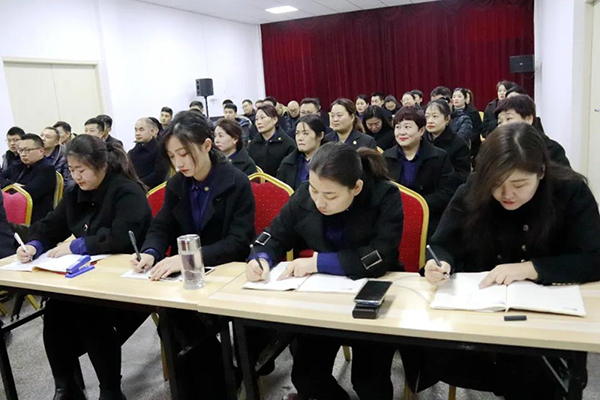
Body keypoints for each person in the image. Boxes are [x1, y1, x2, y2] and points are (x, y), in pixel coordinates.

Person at [417, 122, 600, 399]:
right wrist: (440, 262)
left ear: (541, 172)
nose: (506, 195)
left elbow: (594, 258)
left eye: (519, 184)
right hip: (480, 313)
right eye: (496, 184)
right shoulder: (474, 188)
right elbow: (442, 244)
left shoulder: (570, 191)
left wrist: (531, 268)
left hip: (543, 322)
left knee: (534, 377)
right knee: (435, 352)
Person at [246, 142, 403, 400]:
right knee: (306, 377)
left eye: (330, 196)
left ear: (356, 188)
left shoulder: (384, 195)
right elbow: (274, 235)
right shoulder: (305, 195)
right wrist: (261, 258)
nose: (319, 202)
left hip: (370, 298)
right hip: (323, 299)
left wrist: (317, 263)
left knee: (369, 382)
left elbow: (379, 257)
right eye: (314, 190)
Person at [130, 110, 255, 399]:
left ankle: (218, 385)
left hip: (225, 273)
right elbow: (162, 225)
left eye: (184, 154)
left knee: (180, 325)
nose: (179, 163)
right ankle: (216, 381)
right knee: (173, 323)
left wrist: (188, 258)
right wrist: (150, 252)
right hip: (188, 279)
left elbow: (238, 243)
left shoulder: (236, 182)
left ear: (207, 145)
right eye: (172, 156)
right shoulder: (177, 184)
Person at [17, 134, 152, 400]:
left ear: (101, 165)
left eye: (82, 170)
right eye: (72, 170)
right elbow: (52, 225)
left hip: (129, 279)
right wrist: (34, 245)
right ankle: (66, 387)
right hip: (88, 277)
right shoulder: (74, 193)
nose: (76, 176)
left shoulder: (126, 191)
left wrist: (76, 246)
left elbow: (121, 238)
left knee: (88, 311)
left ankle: (110, 390)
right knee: (55, 309)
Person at [384, 106, 457, 235]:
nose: (401, 132)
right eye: (398, 127)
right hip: (394, 221)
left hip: (429, 220)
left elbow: (447, 192)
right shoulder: (385, 157)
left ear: (421, 130)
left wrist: (416, 205)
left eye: (407, 127)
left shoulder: (439, 157)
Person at [495, 95, 571, 167]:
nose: (503, 125)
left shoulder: (551, 150)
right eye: (500, 122)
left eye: (509, 118)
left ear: (528, 119)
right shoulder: (497, 150)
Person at [0, 133, 56, 223]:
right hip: (13, 209)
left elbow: (28, 193)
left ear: (41, 151)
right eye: (20, 150)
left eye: (27, 150)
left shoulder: (47, 169)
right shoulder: (18, 164)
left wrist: (9, 188)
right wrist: (12, 185)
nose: (23, 154)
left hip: (35, 216)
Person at [277, 115, 326, 189]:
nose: (300, 138)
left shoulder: (332, 161)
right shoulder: (288, 162)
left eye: (305, 133)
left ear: (320, 136)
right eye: (297, 133)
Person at [425, 100, 470, 181]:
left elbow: (463, 176)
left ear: (447, 119)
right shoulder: (420, 139)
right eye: (427, 117)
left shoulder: (458, 143)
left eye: (435, 116)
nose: (430, 121)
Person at [247, 104, 296, 176]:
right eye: (256, 119)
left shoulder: (288, 144)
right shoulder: (252, 145)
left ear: (274, 120)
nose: (259, 122)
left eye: (262, 118)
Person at [128, 117, 169, 189]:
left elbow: (159, 174)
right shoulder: (132, 153)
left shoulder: (159, 149)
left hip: (154, 189)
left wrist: (139, 183)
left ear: (152, 131)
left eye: (141, 130)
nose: (137, 133)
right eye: (136, 130)